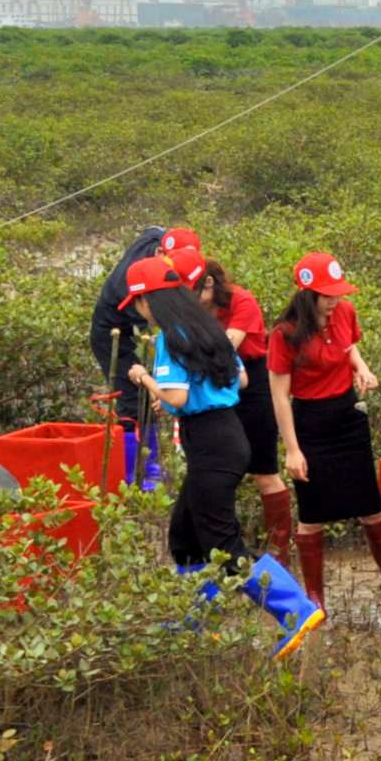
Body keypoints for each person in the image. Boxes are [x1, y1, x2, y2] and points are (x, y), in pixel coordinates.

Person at [119, 258, 324, 660]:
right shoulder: (206, 326)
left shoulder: (169, 337)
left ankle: (296, 610)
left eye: (138, 304)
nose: (138, 311)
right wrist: (187, 393)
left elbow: (175, 397)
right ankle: (197, 620)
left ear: (149, 300)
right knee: (184, 535)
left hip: (212, 444)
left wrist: (144, 378)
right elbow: (242, 379)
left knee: (223, 540)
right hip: (227, 433)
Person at [268, 253, 381, 611]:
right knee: (312, 513)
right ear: (307, 294)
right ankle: (315, 596)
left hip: (347, 416)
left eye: (337, 292)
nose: (334, 300)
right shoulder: (285, 333)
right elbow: (279, 394)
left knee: (371, 505)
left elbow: (350, 348)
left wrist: (362, 369)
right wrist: (292, 449)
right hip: (310, 423)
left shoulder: (346, 313)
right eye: (326, 294)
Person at [195, 255, 295, 563]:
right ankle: (228, 547)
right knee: (223, 471)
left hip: (252, 382)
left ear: (209, 282)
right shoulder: (195, 309)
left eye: (193, 291)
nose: (189, 299)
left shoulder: (242, 301)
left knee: (264, 471)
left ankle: (280, 551)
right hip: (212, 381)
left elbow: (227, 347)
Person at [89, 224, 199, 489]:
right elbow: (162, 329)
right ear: (161, 252)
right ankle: (137, 472)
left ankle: (152, 464)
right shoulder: (131, 282)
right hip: (111, 333)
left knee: (150, 388)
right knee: (131, 395)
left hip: (136, 326)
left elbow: (153, 229)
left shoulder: (159, 242)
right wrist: (156, 383)